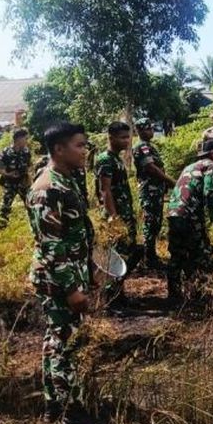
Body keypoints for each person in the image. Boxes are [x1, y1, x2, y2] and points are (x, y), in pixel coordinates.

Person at [27, 122, 98, 424]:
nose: (85, 151)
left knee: (56, 339)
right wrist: (71, 289)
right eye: (79, 145)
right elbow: (51, 245)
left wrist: (89, 269)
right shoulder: (47, 188)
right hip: (58, 280)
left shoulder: (66, 180)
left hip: (68, 273)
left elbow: (75, 234)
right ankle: (74, 417)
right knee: (67, 345)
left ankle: (53, 404)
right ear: (59, 149)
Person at [166, 139, 213, 302]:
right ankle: (197, 292)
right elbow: (209, 193)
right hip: (189, 215)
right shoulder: (212, 166)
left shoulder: (191, 166)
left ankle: (174, 294)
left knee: (177, 254)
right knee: (200, 253)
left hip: (174, 213)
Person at [95, 121, 138, 307]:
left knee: (128, 252)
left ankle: (118, 295)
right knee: (115, 257)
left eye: (128, 137)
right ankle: (110, 300)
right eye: (122, 137)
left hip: (124, 214)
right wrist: (113, 216)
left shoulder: (116, 159)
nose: (127, 141)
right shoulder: (105, 160)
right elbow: (105, 190)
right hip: (115, 216)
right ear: (111, 138)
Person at [133, 119, 176, 269]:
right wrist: (171, 181)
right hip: (149, 191)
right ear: (140, 131)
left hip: (156, 190)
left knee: (156, 223)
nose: (151, 131)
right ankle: (149, 258)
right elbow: (151, 168)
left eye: (151, 128)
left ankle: (151, 255)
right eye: (148, 129)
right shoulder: (142, 147)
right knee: (151, 223)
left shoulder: (150, 146)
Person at [0, 128, 33, 229]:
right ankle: (3, 227)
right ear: (18, 139)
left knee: (31, 205)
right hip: (10, 184)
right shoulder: (5, 152)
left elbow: (30, 165)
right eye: (25, 138)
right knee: (5, 206)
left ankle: (34, 224)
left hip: (23, 183)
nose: (27, 141)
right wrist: (7, 174)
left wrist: (29, 177)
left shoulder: (26, 151)